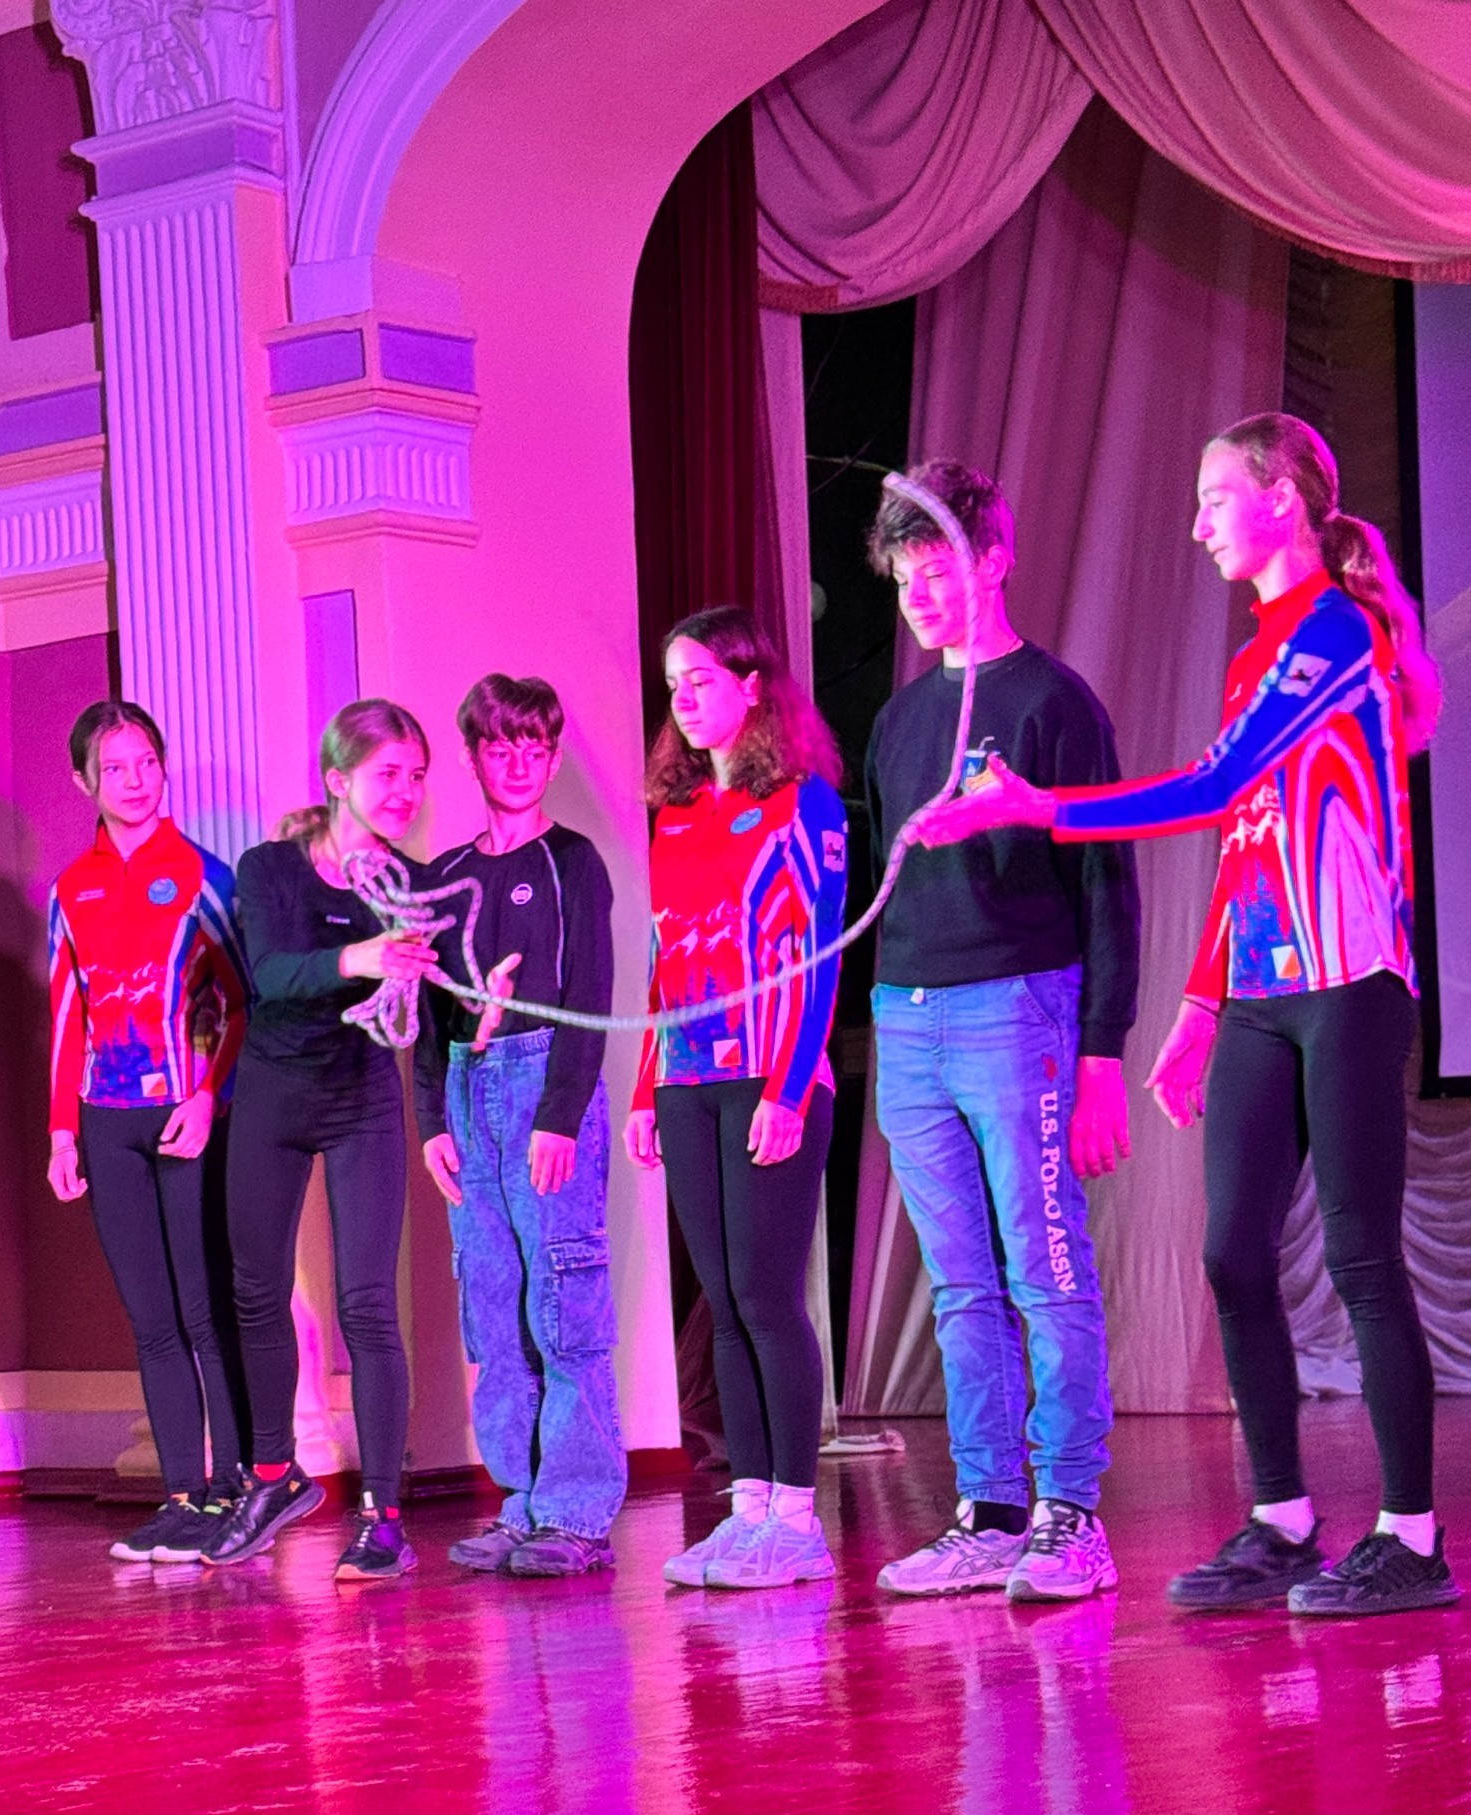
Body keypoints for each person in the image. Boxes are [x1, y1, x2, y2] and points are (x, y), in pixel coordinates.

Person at [915, 413, 1454, 1618]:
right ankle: (1282, 1520)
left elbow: (1214, 784)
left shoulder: (1334, 629)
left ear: (1281, 498)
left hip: (1349, 982)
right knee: (1229, 1252)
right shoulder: (1253, 653)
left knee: (1363, 1255)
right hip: (1263, 990)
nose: (1197, 521)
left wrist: (1038, 808)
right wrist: (1202, 1002)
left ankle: (1412, 1538)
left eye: (1215, 496)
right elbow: (1246, 833)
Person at [864, 463, 1141, 1605]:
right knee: (959, 1280)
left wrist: (1102, 1049)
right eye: (903, 579)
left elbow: (1107, 885)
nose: (920, 597)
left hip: (1020, 1006)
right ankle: (990, 1509)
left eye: (937, 571)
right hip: (907, 1013)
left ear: (994, 561)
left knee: (1045, 1266)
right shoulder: (897, 720)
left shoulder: (1053, 704)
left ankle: (1071, 1510)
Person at [624, 605, 847, 1590]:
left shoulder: (805, 804)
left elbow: (819, 958)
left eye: (702, 680)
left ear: (752, 686)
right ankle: (747, 1508)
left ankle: (796, 1520)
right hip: (688, 1081)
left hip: (770, 1080)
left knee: (765, 1297)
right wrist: (645, 1089)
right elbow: (663, 961)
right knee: (721, 1300)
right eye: (674, 685)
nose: (683, 700)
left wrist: (789, 1090)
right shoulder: (674, 815)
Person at [204, 700, 439, 1580]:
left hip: (360, 1101)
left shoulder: (410, 887)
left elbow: (436, 1006)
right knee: (255, 1291)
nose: (406, 792)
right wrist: (360, 958)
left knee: (367, 1307)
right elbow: (269, 976)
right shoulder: (269, 867)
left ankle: (384, 1518)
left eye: (418, 777)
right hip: (273, 1097)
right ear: (339, 781)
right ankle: (274, 1480)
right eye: (389, 774)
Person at [415, 674, 627, 1576]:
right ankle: (521, 1500)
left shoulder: (572, 861)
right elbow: (428, 1013)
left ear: (553, 755)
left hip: (545, 1082)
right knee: (494, 1308)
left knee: (564, 1300)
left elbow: (591, 993)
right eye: (501, 748)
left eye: (535, 749)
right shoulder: (443, 878)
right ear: (473, 756)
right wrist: (433, 1118)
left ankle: (575, 1512)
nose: (519, 764)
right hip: (471, 1090)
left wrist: (561, 1116)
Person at [46, 699, 251, 1562]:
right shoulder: (70, 888)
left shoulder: (204, 874)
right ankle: (181, 1497)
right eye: (115, 768)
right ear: (84, 781)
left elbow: (242, 1002)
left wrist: (207, 1097)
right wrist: (63, 1134)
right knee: (153, 1319)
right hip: (107, 1125)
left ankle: (236, 1489)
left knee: (205, 1309)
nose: (135, 781)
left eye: (147, 763)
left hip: (187, 1120)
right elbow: (66, 1013)